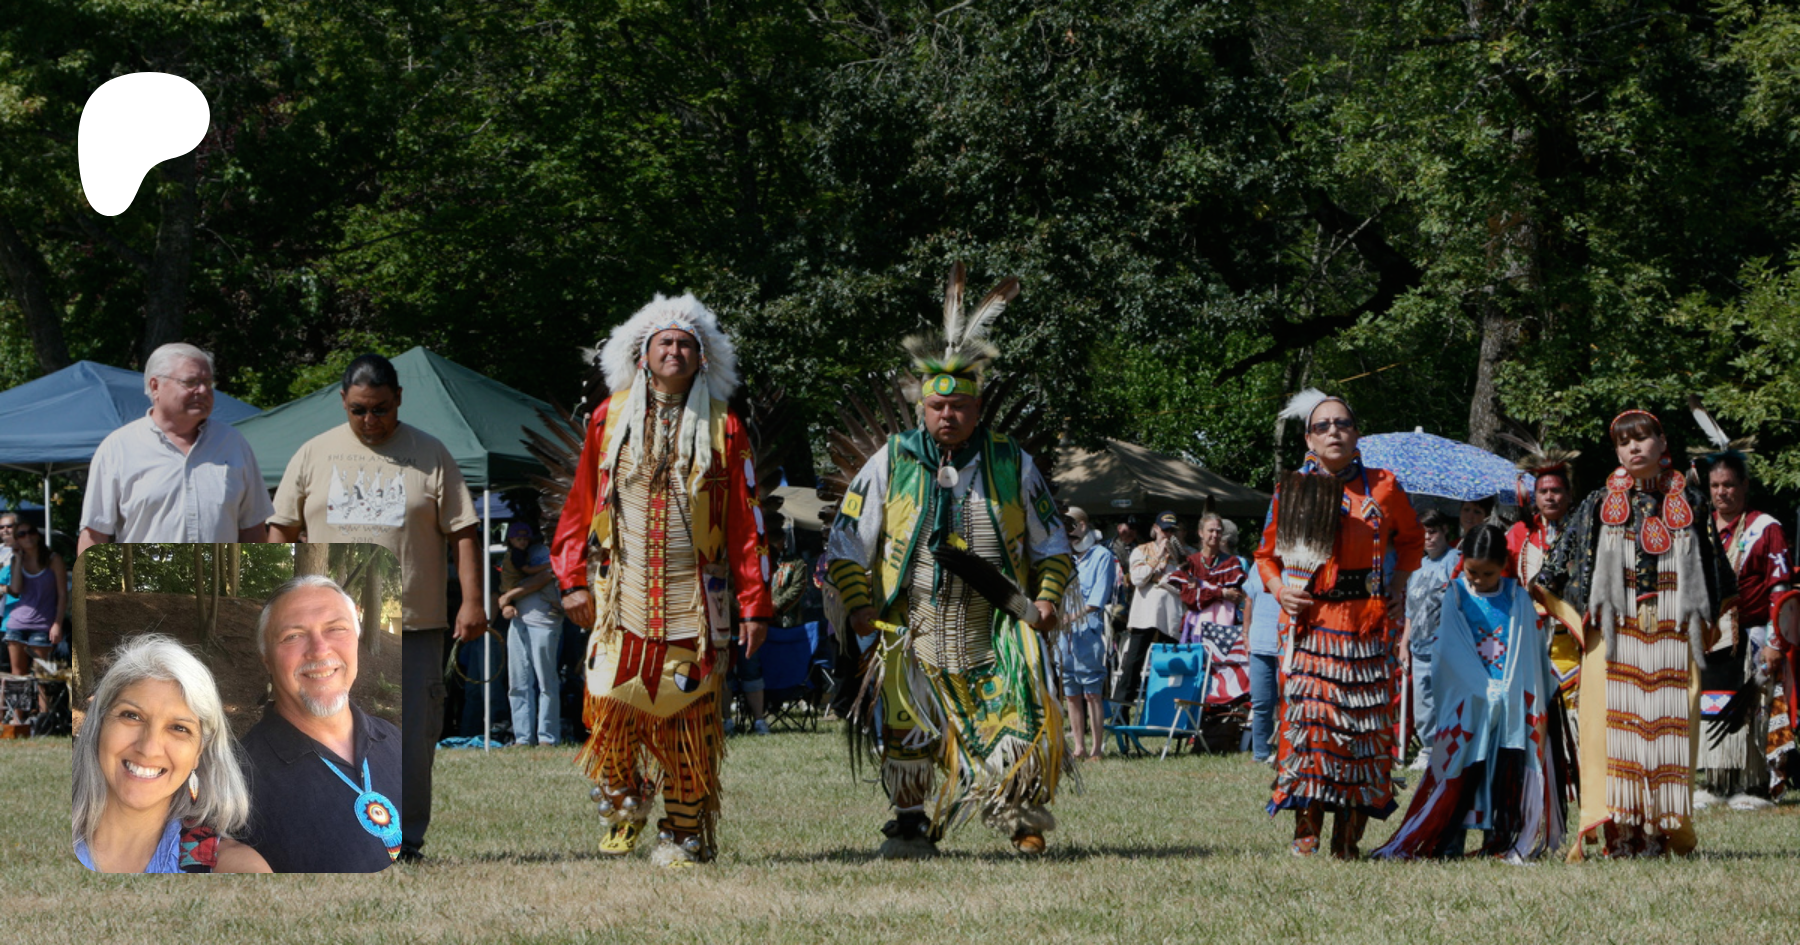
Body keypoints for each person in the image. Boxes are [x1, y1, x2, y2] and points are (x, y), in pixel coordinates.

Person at [822, 264, 1073, 857]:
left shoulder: (1012, 463)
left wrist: (1045, 600)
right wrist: (858, 605)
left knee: (1014, 719)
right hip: (912, 627)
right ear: (922, 407)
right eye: (938, 406)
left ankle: (1021, 819)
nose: (948, 416)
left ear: (978, 407)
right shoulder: (892, 461)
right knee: (907, 728)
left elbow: (1053, 545)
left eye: (960, 406)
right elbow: (846, 544)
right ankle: (911, 824)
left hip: (999, 628)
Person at [550, 293, 772, 868]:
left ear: (703, 358)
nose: (674, 351)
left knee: (688, 722)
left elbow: (746, 523)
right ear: (642, 354)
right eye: (664, 342)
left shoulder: (725, 427)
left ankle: (683, 833)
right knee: (607, 706)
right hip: (620, 598)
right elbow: (580, 504)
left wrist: (755, 605)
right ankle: (624, 802)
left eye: (685, 344)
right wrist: (571, 580)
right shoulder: (609, 418)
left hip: (693, 602)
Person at [267, 353, 484, 862]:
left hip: (414, 623)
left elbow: (464, 532)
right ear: (343, 401)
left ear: (399, 399)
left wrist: (473, 601)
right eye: (359, 410)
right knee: (319, 726)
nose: (370, 420)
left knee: (410, 736)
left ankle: (405, 841)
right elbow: (282, 528)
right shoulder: (314, 453)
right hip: (325, 625)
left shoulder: (430, 454)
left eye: (381, 409)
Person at [1533, 409, 1735, 858]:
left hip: (1673, 633)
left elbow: (1717, 571)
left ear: (1663, 444)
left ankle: (1662, 831)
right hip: (1614, 634)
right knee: (1612, 734)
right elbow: (1556, 567)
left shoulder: (1693, 503)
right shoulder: (1596, 503)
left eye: (1643, 438)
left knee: (1668, 731)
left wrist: (1707, 621)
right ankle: (1620, 833)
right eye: (1624, 442)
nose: (1634, 447)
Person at [1257, 388, 1422, 859]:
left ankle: (1347, 839)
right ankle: (1306, 831)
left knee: (1360, 728)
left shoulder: (1384, 486)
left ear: (1357, 434)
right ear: (1309, 440)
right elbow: (1265, 555)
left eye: (1343, 424)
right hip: (1312, 621)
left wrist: (1399, 586)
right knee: (1313, 725)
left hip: (1367, 622)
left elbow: (1412, 540)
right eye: (1323, 426)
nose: (1334, 432)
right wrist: (1280, 590)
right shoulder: (1292, 489)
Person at [1372, 525, 1569, 862]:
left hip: (1510, 705)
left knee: (1503, 771)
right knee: (1459, 765)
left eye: (1488, 574)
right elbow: (1450, 650)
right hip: (1468, 703)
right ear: (1462, 563)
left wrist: (1512, 689)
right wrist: (1482, 688)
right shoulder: (1457, 595)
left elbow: (1529, 649)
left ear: (1503, 565)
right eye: (1472, 572)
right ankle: (1449, 841)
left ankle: (1500, 840)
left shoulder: (1518, 598)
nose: (1478, 580)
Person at [239, 575, 402, 871]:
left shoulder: (396, 738)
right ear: (266, 658)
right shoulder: (237, 783)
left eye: (336, 629)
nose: (319, 649)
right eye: (293, 636)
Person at [72, 634, 270, 873]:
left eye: (179, 728)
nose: (149, 748)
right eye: (132, 716)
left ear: (199, 752)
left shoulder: (229, 867)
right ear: (99, 725)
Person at [77, 343, 273, 552]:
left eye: (208, 382)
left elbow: (253, 528)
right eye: (191, 382)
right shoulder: (119, 448)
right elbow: (95, 535)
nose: (203, 391)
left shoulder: (232, 443)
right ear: (155, 387)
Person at [1696, 451, 1789, 800]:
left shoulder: (1765, 528)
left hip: (1754, 636)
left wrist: (1776, 642)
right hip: (1712, 638)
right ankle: (1717, 782)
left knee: (1754, 710)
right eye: (1715, 485)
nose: (1722, 492)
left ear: (1745, 485)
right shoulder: (1701, 529)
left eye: (1729, 484)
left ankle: (1754, 785)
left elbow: (1781, 590)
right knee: (1714, 705)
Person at [1505, 452, 1581, 702]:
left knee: (1574, 702)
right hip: (1530, 631)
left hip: (1574, 632)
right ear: (1534, 497)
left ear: (1569, 494)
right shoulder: (1519, 534)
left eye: (1556, 490)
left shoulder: (1585, 532)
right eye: (1543, 491)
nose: (1549, 496)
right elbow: (1502, 582)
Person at [1400, 509, 1460, 771]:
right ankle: (1428, 749)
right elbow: (1410, 611)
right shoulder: (1417, 565)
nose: (1427, 538)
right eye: (1423, 533)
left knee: (1446, 700)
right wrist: (1404, 644)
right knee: (1423, 704)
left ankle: (1448, 750)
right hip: (1419, 647)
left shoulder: (1454, 561)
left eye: (1432, 532)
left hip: (1446, 646)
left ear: (1445, 531)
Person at [1113, 511, 1187, 713]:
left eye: (1172, 531)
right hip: (1145, 615)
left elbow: (1184, 586)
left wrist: (1159, 580)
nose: (1168, 535)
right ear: (1155, 529)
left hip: (1170, 618)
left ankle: (1166, 712)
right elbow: (1137, 579)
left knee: (1170, 665)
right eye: (1165, 530)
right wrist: (1158, 558)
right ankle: (1120, 711)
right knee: (1132, 664)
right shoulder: (1141, 550)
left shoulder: (1182, 557)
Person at [498, 522, 562, 747]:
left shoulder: (549, 551)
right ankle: (523, 737)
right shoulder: (520, 553)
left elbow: (544, 577)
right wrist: (507, 602)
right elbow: (512, 580)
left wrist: (509, 596)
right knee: (518, 682)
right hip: (518, 621)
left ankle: (547, 737)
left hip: (544, 622)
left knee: (546, 682)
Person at [1060, 506, 1116, 761]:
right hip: (1064, 634)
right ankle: (1079, 747)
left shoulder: (1102, 555)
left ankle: (1096, 748)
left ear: (1083, 526)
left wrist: (1071, 616)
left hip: (1088, 630)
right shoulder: (1063, 557)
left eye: (1070, 527)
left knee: (1092, 691)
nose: (1067, 534)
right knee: (1070, 692)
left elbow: (1097, 599)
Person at [5, 520, 65, 720]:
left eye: (30, 532)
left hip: (42, 625)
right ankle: (18, 720)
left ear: (37, 535)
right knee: (18, 675)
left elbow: (62, 595)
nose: (27, 537)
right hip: (17, 623)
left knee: (42, 675)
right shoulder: (17, 561)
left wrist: (57, 623)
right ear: (17, 540)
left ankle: (44, 719)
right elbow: (16, 589)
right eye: (21, 534)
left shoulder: (53, 559)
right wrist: (17, 559)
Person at [1241, 544, 1281, 764]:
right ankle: (1261, 754)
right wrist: (1245, 634)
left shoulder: (1297, 566)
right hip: (1259, 642)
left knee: (1290, 702)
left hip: (1288, 643)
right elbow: (1249, 600)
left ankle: (1289, 752)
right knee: (1261, 702)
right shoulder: (1258, 565)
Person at [1179, 512, 1246, 644]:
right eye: (1211, 530)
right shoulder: (1191, 562)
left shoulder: (1231, 563)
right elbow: (1190, 599)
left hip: (1224, 631)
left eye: (1218, 531)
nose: (1215, 535)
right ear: (1201, 533)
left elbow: (1237, 596)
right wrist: (1222, 593)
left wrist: (1202, 588)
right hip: (1196, 629)